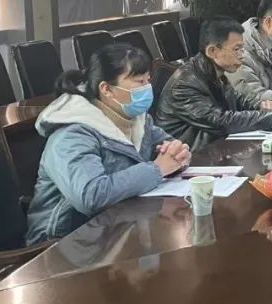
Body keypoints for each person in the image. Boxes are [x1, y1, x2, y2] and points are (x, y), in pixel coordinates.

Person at [25, 43, 191, 244]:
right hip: (65, 242)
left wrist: (179, 153)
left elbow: (167, 145)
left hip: (119, 226)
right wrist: (157, 169)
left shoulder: (135, 118)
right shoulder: (71, 134)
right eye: (139, 81)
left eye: (148, 80)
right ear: (106, 89)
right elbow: (91, 196)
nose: (147, 88)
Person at [156, 17, 272, 149]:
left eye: (242, 49)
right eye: (236, 49)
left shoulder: (217, 73)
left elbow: (238, 102)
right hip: (189, 155)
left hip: (215, 148)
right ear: (213, 51)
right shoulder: (183, 85)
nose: (242, 56)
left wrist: (261, 106)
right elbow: (220, 121)